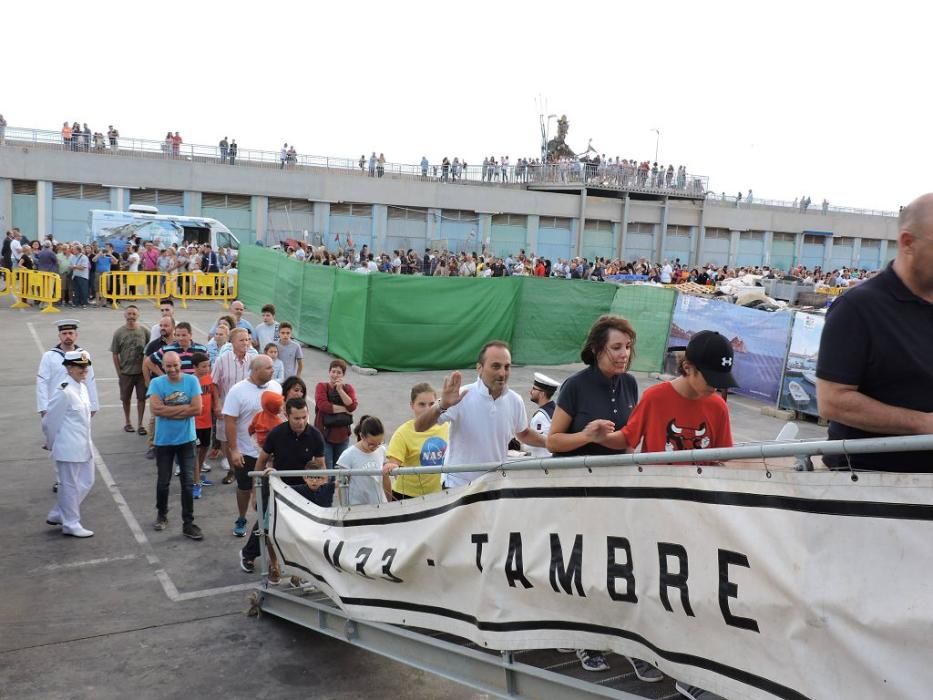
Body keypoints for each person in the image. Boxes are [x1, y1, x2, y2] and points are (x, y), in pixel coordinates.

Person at [545, 316, 657, 678]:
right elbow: (553, 441)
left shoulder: (631, 385)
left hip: (616, 490)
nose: (624, 355)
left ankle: (624, 641)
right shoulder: (575, 385)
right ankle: (583, 637)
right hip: (577, 490)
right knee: (583, 565)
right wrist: (588, 436)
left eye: (628, 347)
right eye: (616, 348)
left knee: (617, 566)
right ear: (596, 350)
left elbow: (628, 438)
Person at [816, 192, 933, 472]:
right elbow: (832, 400)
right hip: (869, 489)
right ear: (908, 243)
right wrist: (923, 424)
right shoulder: (857, 308)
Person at [414, 340, 545, 488]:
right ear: (479, 368)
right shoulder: (460, 396)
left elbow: (524, 433)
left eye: (507, 367)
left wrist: (550, 443)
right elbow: (419, 426)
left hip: (493, 487)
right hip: (458, 487)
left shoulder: (515, 400)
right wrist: (441, 405)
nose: (502, 373)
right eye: (496, 366)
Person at [240, 397, 330, 575]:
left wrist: (322, 487)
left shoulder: (315, 435)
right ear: (287, 415)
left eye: (304, 417)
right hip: (276, 485)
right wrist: (254, 491)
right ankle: (248, 554)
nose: (301, 422)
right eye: (297, 418)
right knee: (266, 523)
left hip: (301, 489)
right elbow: (261, 462)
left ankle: (298, 564)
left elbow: (321, 466)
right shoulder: (276, 434)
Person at [223, 355, 281, 538]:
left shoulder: (276, 387)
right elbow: (230, 421)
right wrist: (234, 450)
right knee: (244, 488)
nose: (273, 370)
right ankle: (241, 518)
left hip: (271, 454)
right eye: (269, 368)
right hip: (247, 452)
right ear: (255, 370)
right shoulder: (237, 391)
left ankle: (268, 523)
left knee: (271, 489)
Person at [147, 351, 204, 540]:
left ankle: (188, 523)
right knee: (163, 482)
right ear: (163, 366)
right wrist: (184, 411)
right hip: (163, 442)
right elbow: (156, 409)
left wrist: (168, 410)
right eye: (168, 366)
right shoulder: (156, 383)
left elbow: (197, 409)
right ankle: (161, 514)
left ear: (181, 364)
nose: (172, 369)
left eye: (175, 365)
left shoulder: (192, 381)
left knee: (188, 484)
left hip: (186, 440)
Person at [44, 351, 96, 538]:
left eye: (86, 366)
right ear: (69, 368)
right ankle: (71, 523)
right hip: (68, 447)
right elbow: (50, 422)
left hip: (83, 445)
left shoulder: (81, 387)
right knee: (70, 486)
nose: (85, 370)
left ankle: (59, 513)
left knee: (87, 481)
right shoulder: (64, 391)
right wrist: (51, 444)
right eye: (80, 367)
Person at [383, 382, 449, 500]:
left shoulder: (446, 427)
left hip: (440, 494)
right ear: (412, 405)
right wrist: (391, 465)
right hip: (407, 497)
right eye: (421, 404)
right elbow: (393, 463)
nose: (427, 409)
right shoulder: (402, 433)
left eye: (431, 404)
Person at [213, 327, 255, 484]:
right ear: (232, 342)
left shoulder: (253, 360)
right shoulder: (222, 360)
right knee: (225, 439)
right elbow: (214, 383)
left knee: (247, 438)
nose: (245, 343)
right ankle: (232, 469)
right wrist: (217, 404)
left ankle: (246, 469)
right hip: (227, 408)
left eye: (247, 340)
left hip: (248, 410)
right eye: (242, 340)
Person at [110, 305, 150, 435]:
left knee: (142, 398)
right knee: (125, 399)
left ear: (138, 316)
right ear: (125, 315)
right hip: (126, 373)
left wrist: (147, 371)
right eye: (129, 314)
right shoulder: (119, 333)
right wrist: (119, 372)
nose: (131, 316)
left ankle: (140, 424)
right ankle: (127, 422)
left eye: (134, 314)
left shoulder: (144, 331)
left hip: (141, 373)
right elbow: (115, 354)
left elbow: (149, 351)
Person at [314, 359, 358, 469]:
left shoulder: (348, 388)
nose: (335, 375)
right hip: (325, 435)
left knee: (341, 468)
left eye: (339, 372)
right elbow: (323, 406)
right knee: (328, 469)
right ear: (329, 372)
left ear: (343, 375)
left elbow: (352, 406)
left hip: (342, 436)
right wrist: (345, 409)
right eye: (333, 371)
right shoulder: (322, 386)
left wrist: (340, 390)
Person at [334, 416, 387, 506]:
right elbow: (341, 485)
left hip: (378, 504)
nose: (375, 447)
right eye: (371, 444)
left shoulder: (381, 450)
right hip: (356, 506)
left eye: (379, 443)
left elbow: (386, 478)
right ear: (362, 436)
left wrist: (389, 503)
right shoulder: (348, 455)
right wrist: (344, 508)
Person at [192, 352, 219, 499]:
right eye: (203, 366)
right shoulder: (191, 380)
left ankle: (198, 473)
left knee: (204, 448)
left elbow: (214, 392)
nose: (207, 368)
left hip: (207, 421)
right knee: (195, 452)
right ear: (195, 367)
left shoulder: (209, 378)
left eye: (208, 365)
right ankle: (195, 483)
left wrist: (216, 406)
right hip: (195, 422)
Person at [524, 373, 560, 458]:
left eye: (534, 389)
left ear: (542, 394)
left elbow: (537, 442)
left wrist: (521, 446)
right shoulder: (556, 410)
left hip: (543, 464)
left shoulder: (540, 417)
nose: (530, 391)